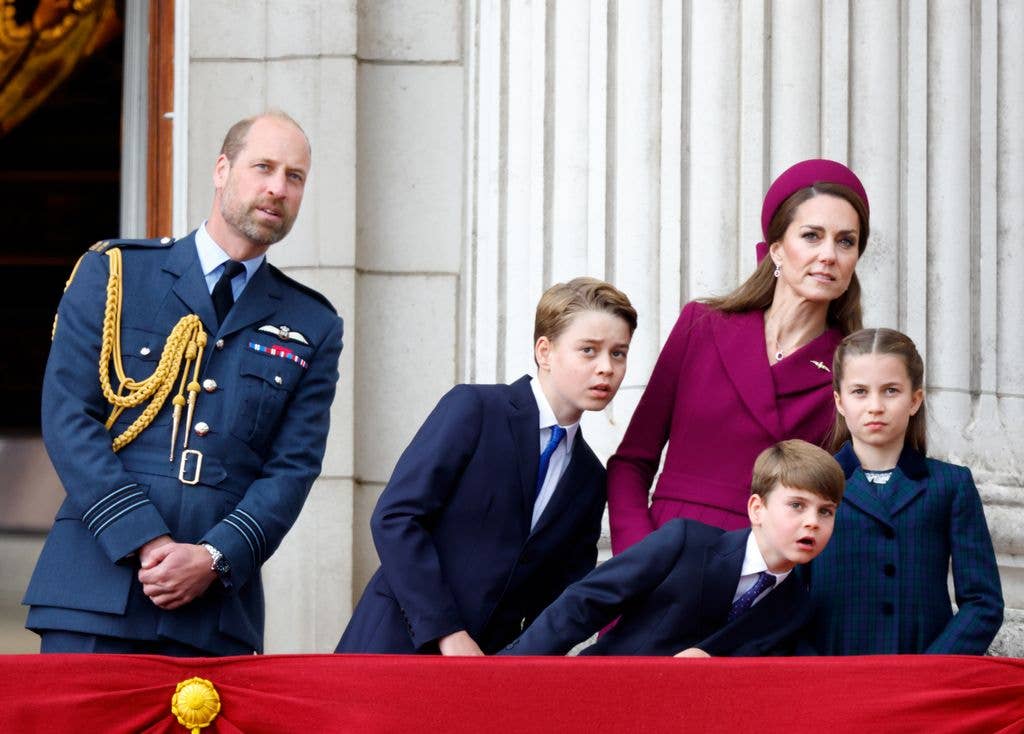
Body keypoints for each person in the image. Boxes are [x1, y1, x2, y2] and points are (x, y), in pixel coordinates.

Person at [23, 111, 344, 656]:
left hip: (213, 610)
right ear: (222, 169)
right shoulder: (117, 273)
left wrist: (215, 558)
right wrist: (144, 539)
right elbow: (68, 417)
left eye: (295, 177)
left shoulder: (313, 324)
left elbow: (293, 468)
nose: (277, 188)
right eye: (262, 166)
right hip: (93, 589)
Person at [335, 277, 637, 655]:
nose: (606, 368)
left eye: (619, 353)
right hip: (394, 646)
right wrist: (448, 632)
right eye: (589, 350)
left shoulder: (590, 477)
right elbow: (395, 518)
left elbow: (561, 596)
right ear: (545, 351)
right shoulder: (475, 409)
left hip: (490, 672)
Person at [607, 159, 870, 554]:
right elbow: (631, 463)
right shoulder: (702, 326)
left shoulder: (852, 370)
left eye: (846, 241)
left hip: (767, 580)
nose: (829, 254)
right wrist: (637, 561)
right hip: (663, 561)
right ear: (777, 249)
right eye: (812, 236)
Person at [498, 439, 843, 656]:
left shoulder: (797, 606)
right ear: (757, 509)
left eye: (825, 511)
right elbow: (584, 603)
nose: (812, 521)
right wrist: (506, 674)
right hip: (603, 699)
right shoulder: (686, 542)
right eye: (796, 505)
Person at [806, 328, 1003, 654]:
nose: (875, 406)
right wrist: (813, 670)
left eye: (890, 391)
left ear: (915, 400)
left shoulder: (951, 485)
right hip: (830, 680)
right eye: (859, 391)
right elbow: (785, 596)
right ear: (839, 401)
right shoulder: (812, 485)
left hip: (923, 681)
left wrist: (932, 670)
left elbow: (983, 602)